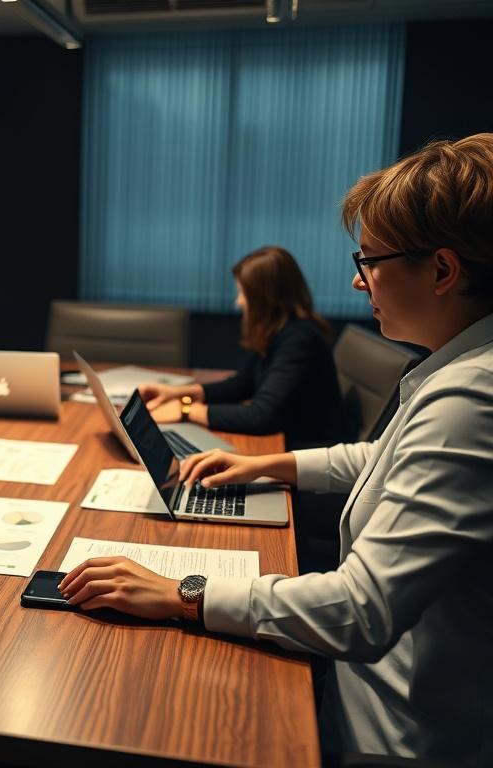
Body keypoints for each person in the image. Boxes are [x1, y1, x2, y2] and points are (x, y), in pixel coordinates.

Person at [60, 134, 493, 765]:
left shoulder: (471, 399)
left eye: (369, 260)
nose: (356, 277)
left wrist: (182, 592)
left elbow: (360, 609)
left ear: (443, 270)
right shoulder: (453, 371)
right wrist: (271, 463)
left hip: (392, 734)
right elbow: (380, 460)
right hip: (361, 696)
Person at [140, 246, 350, 448]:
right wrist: (176, 393)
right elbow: (243, 383)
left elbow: (261, 416)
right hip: (285, 440)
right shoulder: (282, 330)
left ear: (266, 298)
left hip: (304, 449)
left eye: (243, 292)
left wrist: (185, 410)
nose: (239, 302)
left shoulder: (300, 339)